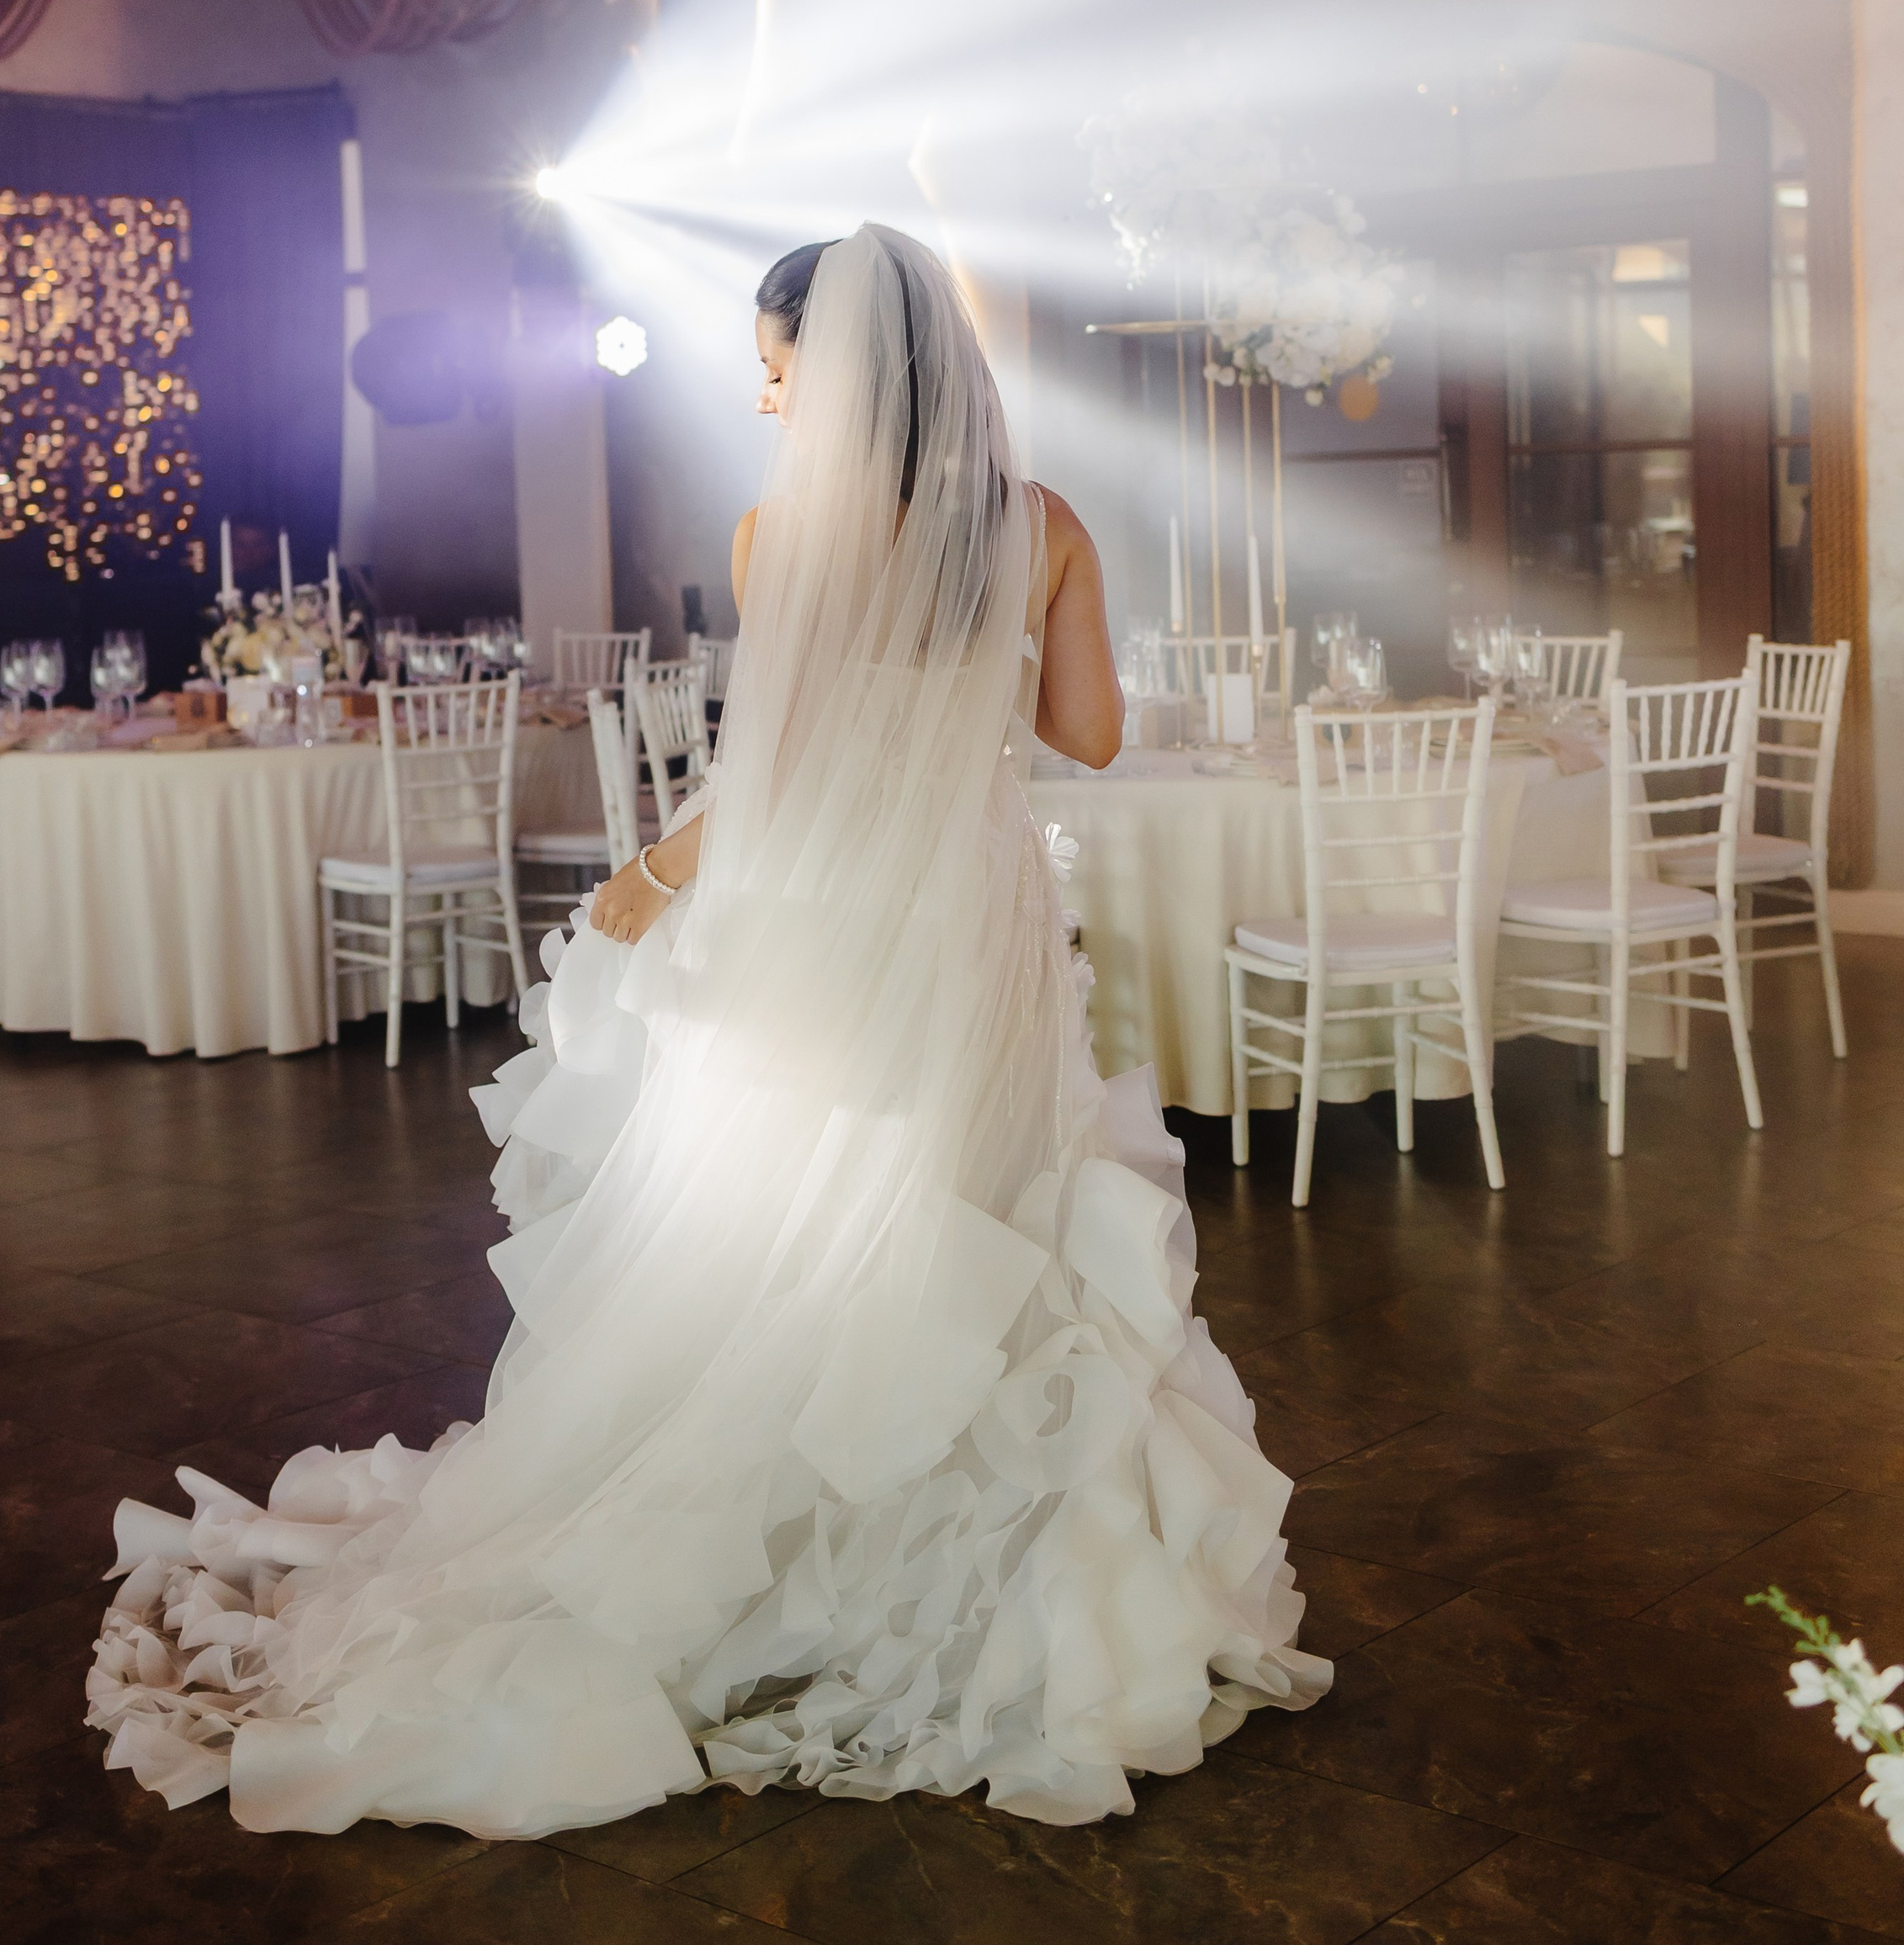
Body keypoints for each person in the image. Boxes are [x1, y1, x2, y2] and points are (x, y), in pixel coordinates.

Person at [88, 225, 1327, 1838]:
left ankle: (788, 1531)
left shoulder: (779, 538)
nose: (765, 399)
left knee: (800, 1232)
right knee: (985, 1216)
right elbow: (1087, 737)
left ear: (847, 373)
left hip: (834, 929)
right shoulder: (1041, 527)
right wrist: (986, 647)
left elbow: (783, 778)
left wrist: (660, 867)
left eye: (777, 368)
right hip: (977, 924)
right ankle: (995, 1553)